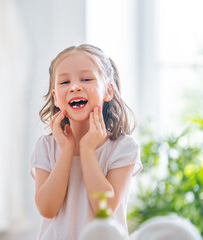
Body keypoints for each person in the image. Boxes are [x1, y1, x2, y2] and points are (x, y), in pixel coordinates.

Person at [31, 44, 142, 239]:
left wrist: (87, 150)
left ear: (108, 91)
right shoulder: (46, 147)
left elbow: (105, 209)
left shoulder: (123, 148)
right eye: (64, 82)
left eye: (86, 79)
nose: (74, 87)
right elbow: (47, 209)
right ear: (56, 98)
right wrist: (66, 151)